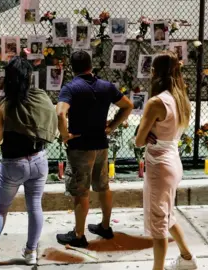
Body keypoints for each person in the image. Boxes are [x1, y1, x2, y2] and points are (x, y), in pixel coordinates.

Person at [0, 56, 58, 267]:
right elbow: (52, 124)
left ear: (8, 78)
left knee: (0, 209)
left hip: (13, 164)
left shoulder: (5, 105)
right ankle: (31, 253)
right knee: (35, 207)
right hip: (39, 160)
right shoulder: (41, 97)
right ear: (29, 77)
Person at [56, 50, 133, 247]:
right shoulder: (106, 86)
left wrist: (65, 135)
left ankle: (79, 235)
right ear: (91, 65)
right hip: (101, 144)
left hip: (80, 147)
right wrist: (112, 126)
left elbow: (60, 114)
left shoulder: (71, 88)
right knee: (103, 186)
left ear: (72, 68)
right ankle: (105, 227)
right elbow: (128, 105)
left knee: (81, 192)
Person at [135, 51, 198, 270]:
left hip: (159, 165)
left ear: (154, 72)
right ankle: (187, 258)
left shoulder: (156, 102)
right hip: (173, 160)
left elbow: (139, 141)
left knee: (158, 225)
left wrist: (144, 133)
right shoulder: (180, 99)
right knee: (167, 215)